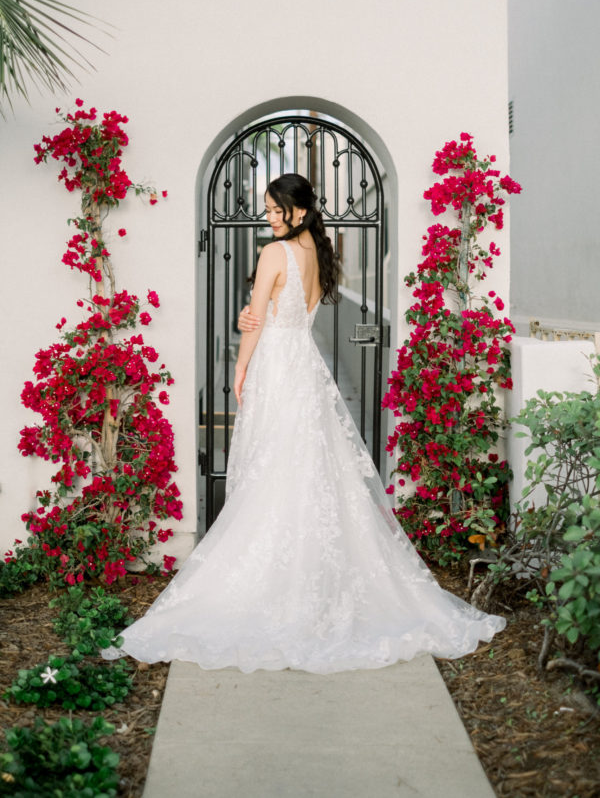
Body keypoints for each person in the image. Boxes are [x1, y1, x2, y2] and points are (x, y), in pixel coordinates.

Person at [103, 173, 505, 674]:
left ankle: (277, 581)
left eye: (274, 209)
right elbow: (272, 313)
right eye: (268, 209)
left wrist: (240, 366)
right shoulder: (317, 249)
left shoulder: (275, 253)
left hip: (276, 364)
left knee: (275, 466)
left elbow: (255, 317)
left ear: (296, 210)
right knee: (311, 467)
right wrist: (251, 321)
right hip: (304, 365)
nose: (268, 217)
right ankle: (311, 577)